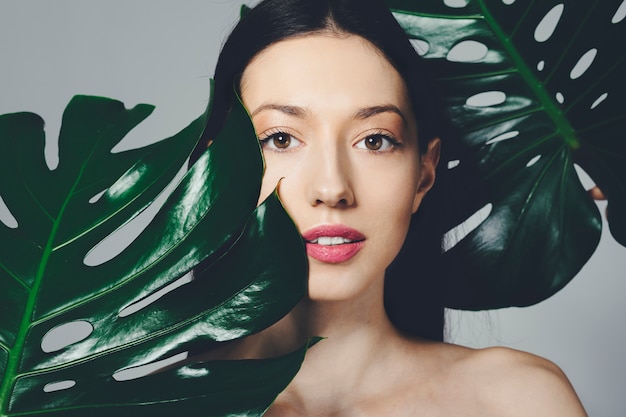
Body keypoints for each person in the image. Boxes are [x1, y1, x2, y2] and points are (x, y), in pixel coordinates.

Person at [191, 0, 588, 415]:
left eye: (375, 140)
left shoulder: (517, 402)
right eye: (281, 139)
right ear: (217, 169)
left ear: (424, 174)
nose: (332, 188)